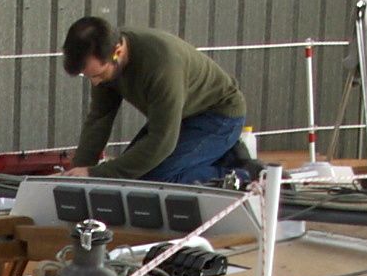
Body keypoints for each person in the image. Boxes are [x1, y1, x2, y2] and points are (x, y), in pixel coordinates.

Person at [61, 15, 250, 184]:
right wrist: (77, 174)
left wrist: (95, 174)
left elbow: (162, 141)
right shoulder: (106, 57)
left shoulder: (161, 66)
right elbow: (99, 119)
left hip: (219, 116)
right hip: (179, 116)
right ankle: (214, 154)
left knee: (153, 181)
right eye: (88, 76)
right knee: (132, 174)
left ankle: (242, 173)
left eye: (98, 75)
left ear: (118, 51)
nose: (95, 83)